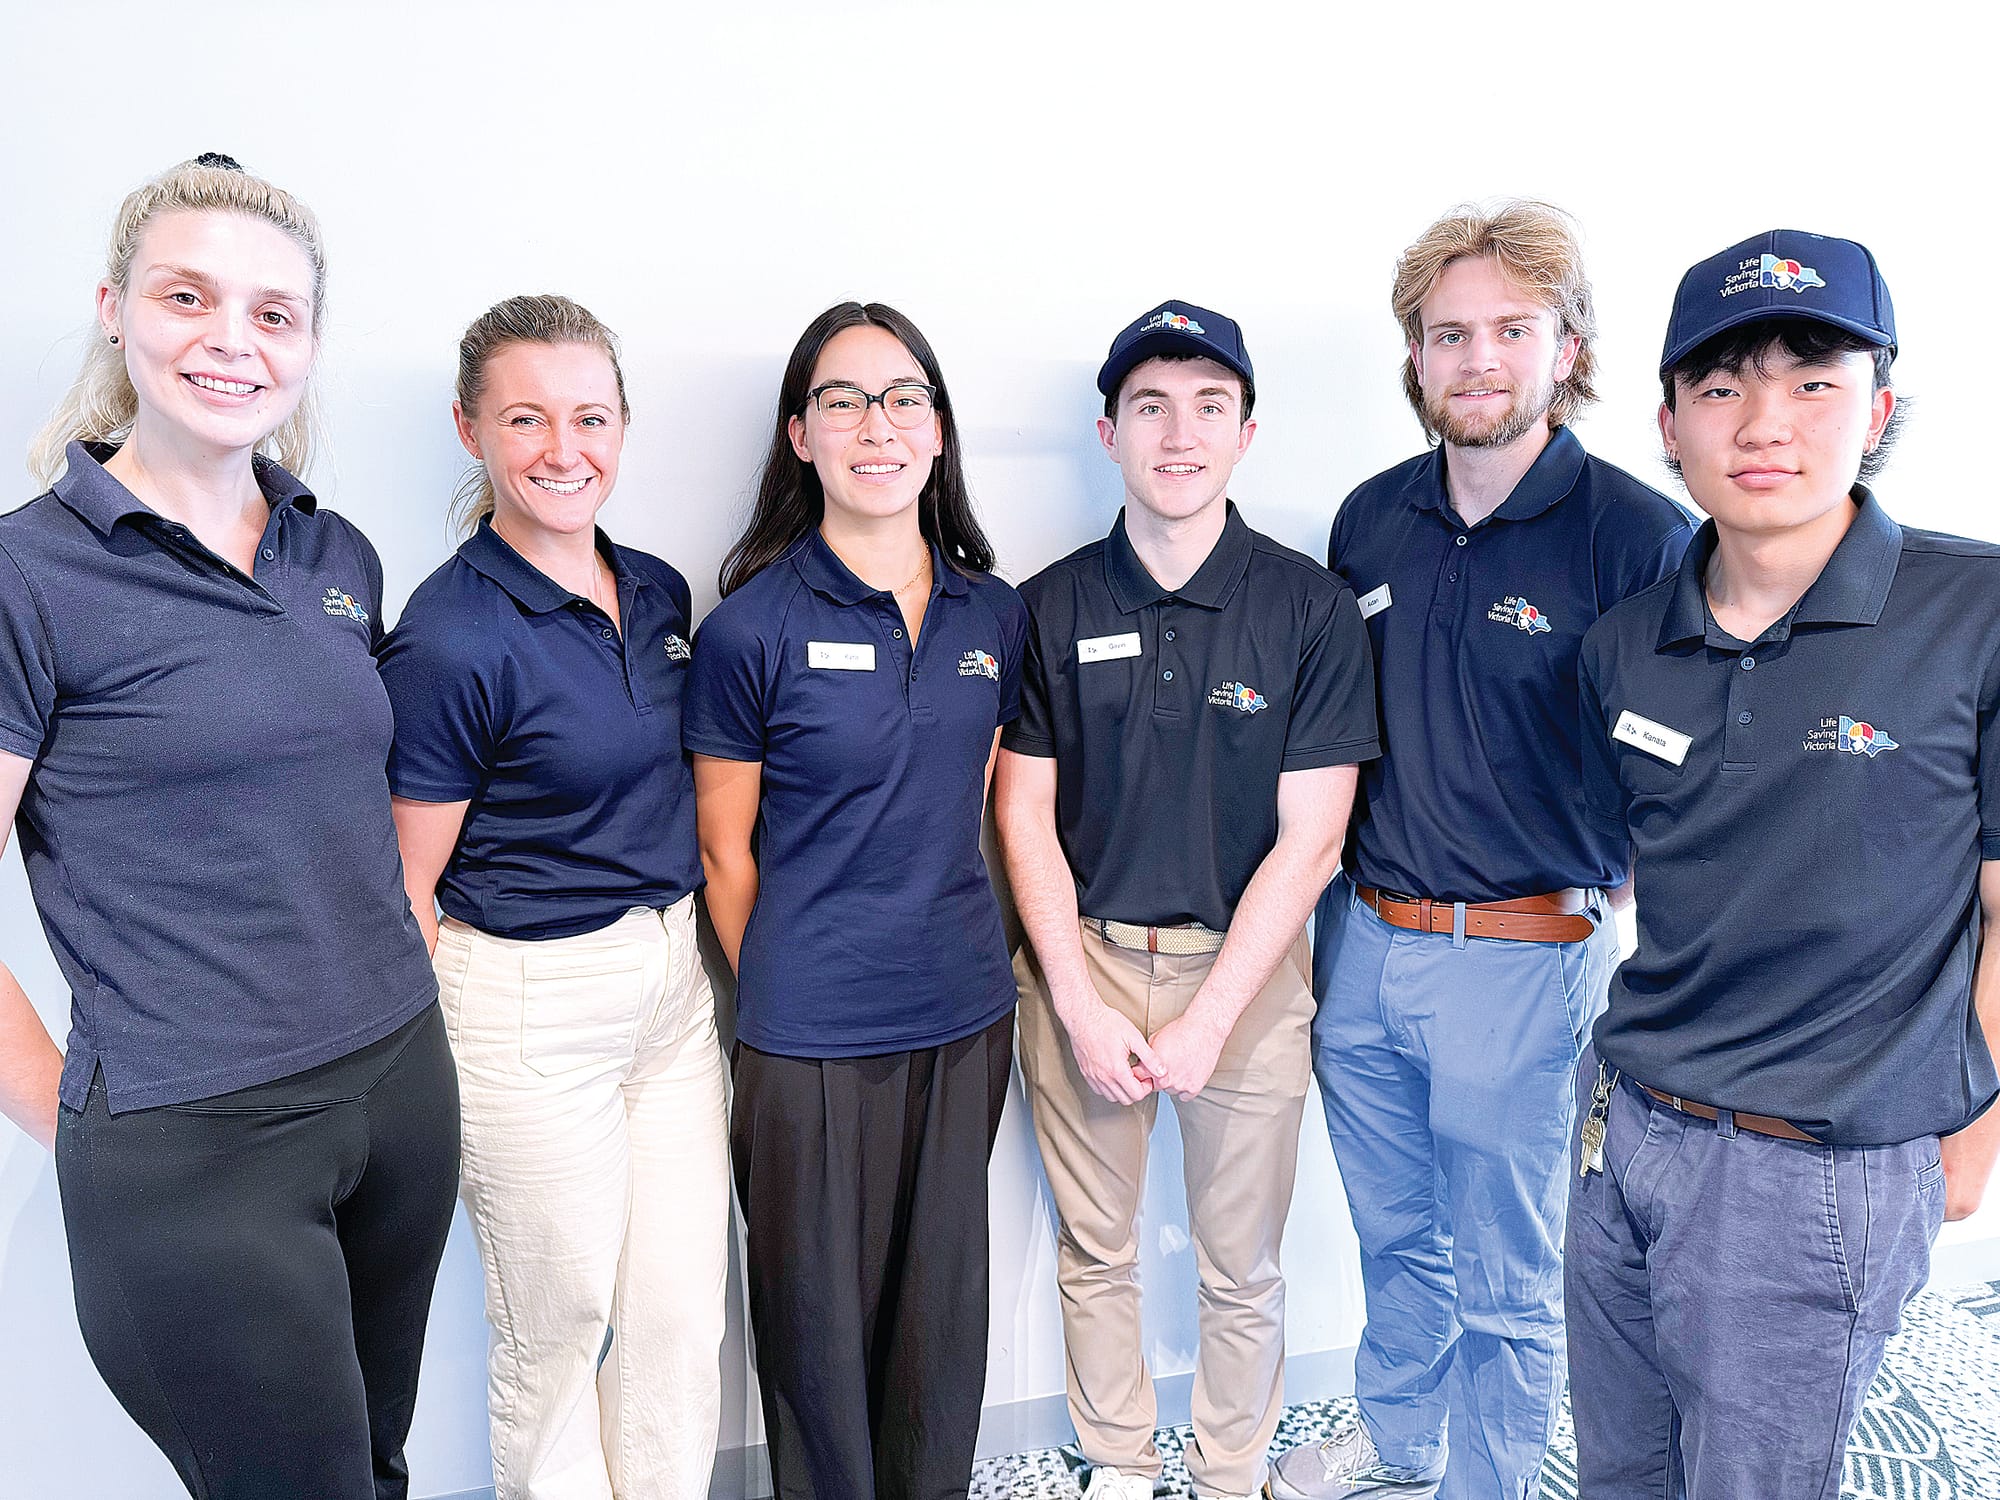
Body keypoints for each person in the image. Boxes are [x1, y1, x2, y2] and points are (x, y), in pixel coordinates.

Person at [0, 154, 457, 1499]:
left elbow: (333, 808)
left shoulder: (339, 556)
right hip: (197, 1141)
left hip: (397, 1086)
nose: (230, 340)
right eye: (187, 296)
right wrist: (86, 1121)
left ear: (308, 344)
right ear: (113, 308)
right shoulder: (29, 576)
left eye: (273, 313)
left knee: (369, 1467)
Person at [1269, 203, 1693, 1500]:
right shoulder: (1371, 521)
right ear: (1415, 361)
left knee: (1510, 1279)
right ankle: (1400, 1443)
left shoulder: (1636, 536)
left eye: (1513, 328)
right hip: (1366, 948)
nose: (1478, 357)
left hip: (1523, 961)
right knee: (1398, 1243)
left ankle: (1488, 1485)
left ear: (1568, 350)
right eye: (1448, 333)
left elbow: (1682, 762)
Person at [1567, 229, 2000, 1498]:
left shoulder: (1971, 613)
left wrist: (1969, 1130)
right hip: (1626, 1133)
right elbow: (1656, 866)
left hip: (1813, 1169)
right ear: (1667, 423)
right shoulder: (1621, 646)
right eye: (1720, 387)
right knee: (1620, 1474)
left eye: (1812, 381)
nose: (1764, 422)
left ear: (1877, 408)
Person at [996, 301, 1378, 1500]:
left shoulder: (1308, 608)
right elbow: (1021, 816)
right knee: (1094, 1250)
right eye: (1150, 406)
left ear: (1245, 432)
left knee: (1240, 1264)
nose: (1178, 433)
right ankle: (1113, 1462)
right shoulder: (1047, 605)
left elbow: (1311, 841)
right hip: (1086, 958)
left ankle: (1226, 1474)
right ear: (1108, 431)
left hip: (1249, 974)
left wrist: (1211, 1016)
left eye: (1208, 406)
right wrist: (1073, 995)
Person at [378, 294, 727, 1500]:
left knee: (681, 1319)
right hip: (527, 1006)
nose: (562, 449)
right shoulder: (448, 636)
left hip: (673, 995)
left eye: (589, 417)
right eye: (525, 419)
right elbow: (403, 887)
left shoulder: (662, 595)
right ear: (472, 429)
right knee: (558, 1330)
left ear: (623, 427)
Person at [683, 301, 1026, 1500]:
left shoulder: (995, 614)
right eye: (842, 399)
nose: (874, 424)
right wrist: (797, 980)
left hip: (965, 1014)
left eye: (902, 399)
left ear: (936, 433)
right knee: (816, 1335)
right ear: (799, 435)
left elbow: (988, 808)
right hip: (806, 1037)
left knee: (940, 1323)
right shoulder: (747, 630)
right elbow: (726, 857)